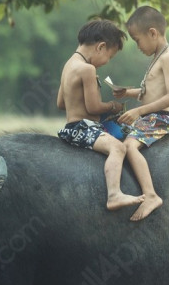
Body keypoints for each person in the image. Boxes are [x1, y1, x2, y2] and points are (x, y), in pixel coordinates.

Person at [57, 19, 145, 214]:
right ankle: (114, 194)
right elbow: (93, 107)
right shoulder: (87, 69)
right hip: (83, 127)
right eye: (110, 56)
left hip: (72, 126)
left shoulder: (69, 65)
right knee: (119, 148)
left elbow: (61, 103)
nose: (107, 62)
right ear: (101, 47)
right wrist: (113, 106)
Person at [112, 5, 169, 220]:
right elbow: (150, 92)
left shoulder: (168, 58)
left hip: (159, 118)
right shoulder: (157, 57)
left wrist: (139, 111)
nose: (138, 46)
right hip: (150, 116)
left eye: (137, 40)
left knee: (129, 146)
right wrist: (128, 93)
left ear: (152, 33)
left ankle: (151, 195)